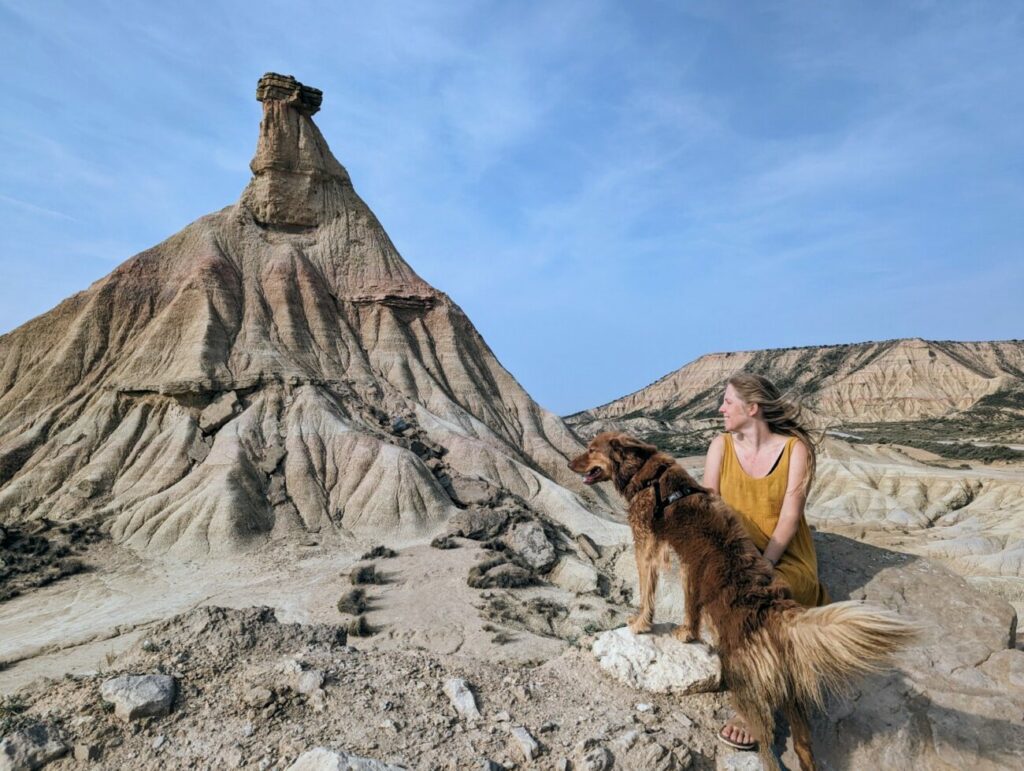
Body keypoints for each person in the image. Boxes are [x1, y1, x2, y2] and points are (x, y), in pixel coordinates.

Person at [702, 372, 829, 751]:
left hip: (784, 554)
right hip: (735, 551)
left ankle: (753, 705)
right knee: (728, 603)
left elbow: (790, 517)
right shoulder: (720, 447)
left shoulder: (794, 450)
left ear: (752, 408)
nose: (721, 408)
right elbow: (709, 508)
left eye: (728, 401)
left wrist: (765, 564)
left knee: (766, 602)